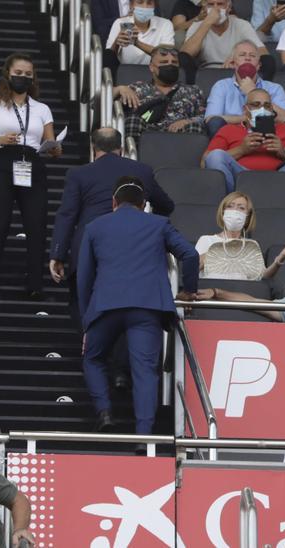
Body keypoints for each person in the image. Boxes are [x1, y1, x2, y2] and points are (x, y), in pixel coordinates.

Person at [77, 179, 199, 433]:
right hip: (147, 308)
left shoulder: (95, 227)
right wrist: (188, 290)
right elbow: (190, 254)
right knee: (145, 371)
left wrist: (86, 316)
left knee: (93, 358)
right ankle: (145, 436)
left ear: (113, 203)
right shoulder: (158, 224)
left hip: (105, 306)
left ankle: (105, 412)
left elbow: (84, 276)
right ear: (143, 205)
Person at [51, 128, 174, 328]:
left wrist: (58, 254)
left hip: (88, 248)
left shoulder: (79, 173)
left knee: (83, 303)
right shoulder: (142, 171)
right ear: (122, 148)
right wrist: (147, 225)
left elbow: (67, 215)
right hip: (134, 250)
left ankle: (89, 347)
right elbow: (166, 205)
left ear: (93, 148)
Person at [0, 53, 62, 300]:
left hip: (32, 162)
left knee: (36, 226)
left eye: (27, 74)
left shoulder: (42, 108)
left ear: (33, 77)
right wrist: (0, 140)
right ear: (7, 74)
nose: (22, 78)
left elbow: (50, 142)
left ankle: (35, 284)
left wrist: (55, 147)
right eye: (18, 73)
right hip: (2, 160)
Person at [202, 88, 285, 194]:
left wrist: (284, 153)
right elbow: (206, 161)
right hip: (239, 179)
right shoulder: (228, 130)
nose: (262, 109)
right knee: (216, 156)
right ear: (245, 109)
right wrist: (241, 150)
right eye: (256, 104)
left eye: (267, 105)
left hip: (280, 179)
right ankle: (232, 202)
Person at [203, 41, 285, 137]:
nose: (248, 58)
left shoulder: (274, 88)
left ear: (258, 65)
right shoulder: (221, 86)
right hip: (230, 137)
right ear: (233, 63)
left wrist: (253, 92)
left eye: (253, 56)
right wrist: (246, 118)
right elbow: (211, 119)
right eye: (242, 55)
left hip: (267, 136)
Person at [114, 46, 207, 137]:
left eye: (174, 62)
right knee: (132, 121)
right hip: (145, 134)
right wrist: (119, 89)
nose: (170, 65)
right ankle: (133, 152)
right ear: (151, 67)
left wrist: (188, 121)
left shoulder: (193, 90)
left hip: (180, 136)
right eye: (164, 62)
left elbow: (204, 117)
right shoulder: (137, 88)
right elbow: (105, 101)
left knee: (194, 127)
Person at [180, 0, 272, 81]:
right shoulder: (196, 26)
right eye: (211, 5)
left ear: (228, 7)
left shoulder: (242, 25)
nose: (215, 9)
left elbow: (262, 53)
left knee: (268, 61)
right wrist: (207, 23)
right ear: (205, 7)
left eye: (220, 4)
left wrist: (235, 56)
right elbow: (185, 55)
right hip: (206, 74)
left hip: (236, 72)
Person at [104, 0, 175, 70]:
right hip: (124, 74)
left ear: (154, 5)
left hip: (155, 74)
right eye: (140, 2)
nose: (145, 7)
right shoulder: (119, 23)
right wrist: (117, 43)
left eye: (149, 3)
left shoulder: (165, 24)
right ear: (131, 5)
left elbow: (167, 57)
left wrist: (137, 43)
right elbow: (109, 58)